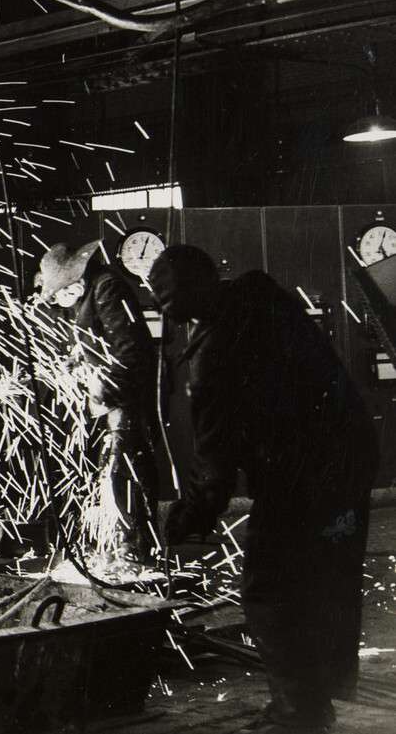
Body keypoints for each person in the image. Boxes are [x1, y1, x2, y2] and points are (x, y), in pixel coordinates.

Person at [149, 245, 377, 733]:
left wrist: (189, 516)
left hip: (302, 475)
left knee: (267, 590)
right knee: (323, 581)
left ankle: (299, 714)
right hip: (350, 457)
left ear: (187, 300)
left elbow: (215, 465)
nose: (170, 318)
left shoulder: (212, 356)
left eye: (169, 305)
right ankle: (317, 700)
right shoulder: (266, 300)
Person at [38, 241, 159, 570]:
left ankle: (134, 549)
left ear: (75, 281)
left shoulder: (107, 288)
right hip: (102, 400)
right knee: (97, 474)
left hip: (125, 398)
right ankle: (106, 547)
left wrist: (104, 389)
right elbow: (86, 344)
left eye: (61, 293)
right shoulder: (80, 297)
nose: (59, 300)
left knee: (123, 472)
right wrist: (72, 366)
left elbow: (128, 351)